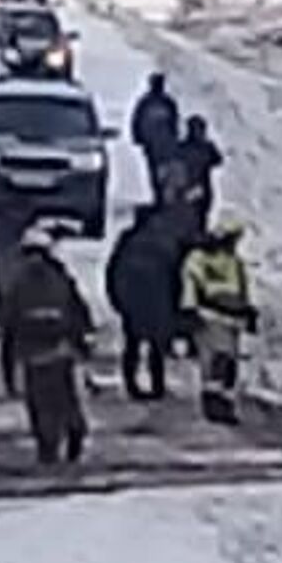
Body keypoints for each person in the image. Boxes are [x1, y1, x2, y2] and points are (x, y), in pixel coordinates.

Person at [0, 226, 94, 464]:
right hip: (60, 350)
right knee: (65, 397)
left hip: (33, 354)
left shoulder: (18, 282)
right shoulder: (60, 277)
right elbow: (77, 310)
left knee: (41, 403)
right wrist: (83, 342)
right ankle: (74, 431)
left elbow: (6, 314)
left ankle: (48, 445)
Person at [181, 216, 257, 425]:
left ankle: (225, 401)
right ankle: (213, 403)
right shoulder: (198, 259)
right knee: (214, 361)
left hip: (232, 319)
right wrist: (190, 310)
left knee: (229, 364)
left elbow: (242, 288)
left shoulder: (234, 261)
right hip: (209, 315)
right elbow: (191, 284)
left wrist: (248, 311)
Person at [105, 206, 181, 402]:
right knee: (156, 346)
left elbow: (113, 272)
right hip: (156, 303)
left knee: (133, 345)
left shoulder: (127, 243)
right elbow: (174, 276)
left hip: (133, 304)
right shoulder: (164, 244)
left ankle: (132, 384)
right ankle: (157, 385)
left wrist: (117, 300)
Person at [0, 206, 33, 395]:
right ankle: (16, 384)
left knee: (13, 340)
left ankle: (14, 384)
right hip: (17, 298)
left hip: (12, 297)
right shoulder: (10, 246)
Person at [129, 74, 182, 202]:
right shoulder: (146, 102)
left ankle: (163, 195)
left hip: (165, 144)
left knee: (163, 170)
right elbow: (136, 120)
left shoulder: (167, 102)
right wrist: (138, 138)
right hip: (152, 144)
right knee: (154, 170)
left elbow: (174, 121)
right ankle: (157, 194)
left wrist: (174, 138)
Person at [175, 117, 224, 235]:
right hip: (195, 186)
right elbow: (217, 160)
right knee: (197, 215)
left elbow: (218, 160)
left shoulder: (184, 147)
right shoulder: (204, 147)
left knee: (197, 214)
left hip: (193, 186)